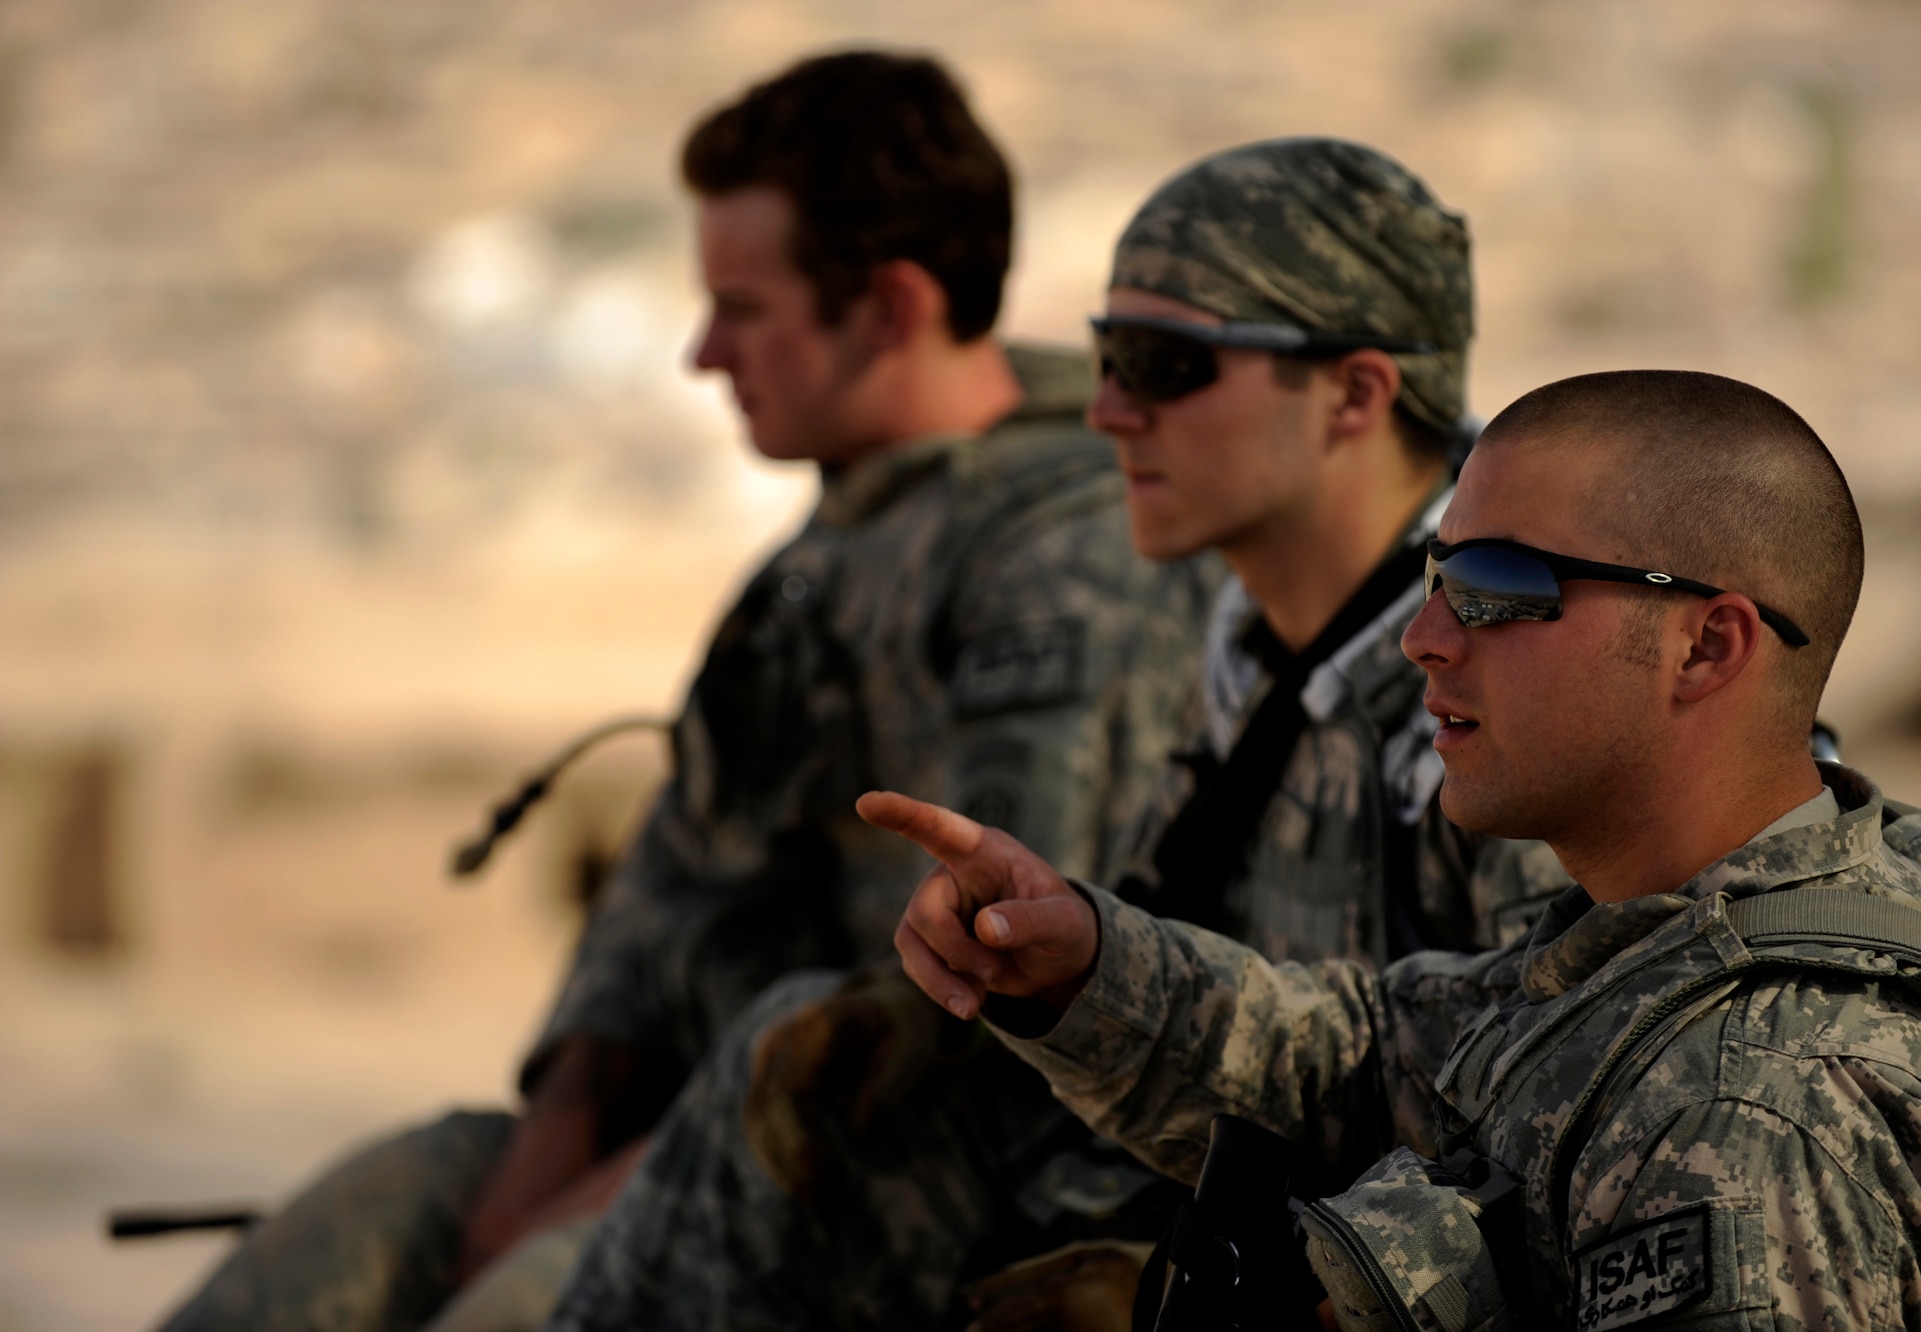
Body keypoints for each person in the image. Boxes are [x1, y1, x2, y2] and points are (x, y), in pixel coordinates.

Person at [156, 51, 1213, 1332]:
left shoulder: (1063, 558)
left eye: (742, 308)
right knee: (338, 1252)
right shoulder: (823, 557)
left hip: (880, 1176)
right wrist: (557, 1136)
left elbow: (1010, 984)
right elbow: (680, 870)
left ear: (886, 306)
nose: (703, 353)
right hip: (675, 1144)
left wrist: (618, 1192)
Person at [542, 138, 1570, 1332]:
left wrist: (1191, 1305)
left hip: (1358, 1274)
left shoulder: (1506, 683)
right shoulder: (1250, 641)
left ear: (1354, 393)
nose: (1104, 411)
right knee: (810, 1073)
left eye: (1161, 364)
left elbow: (1555, 1150)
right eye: (1102, 355)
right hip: (1218, 1187)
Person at [871, 369, 1921, 1329]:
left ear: (1705, 645)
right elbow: (1369, 1064)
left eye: (1496, 590)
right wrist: (1077, 965)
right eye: (1433, 577)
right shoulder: (1682, 929)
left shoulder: (1744, 1121)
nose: (1422, 640)